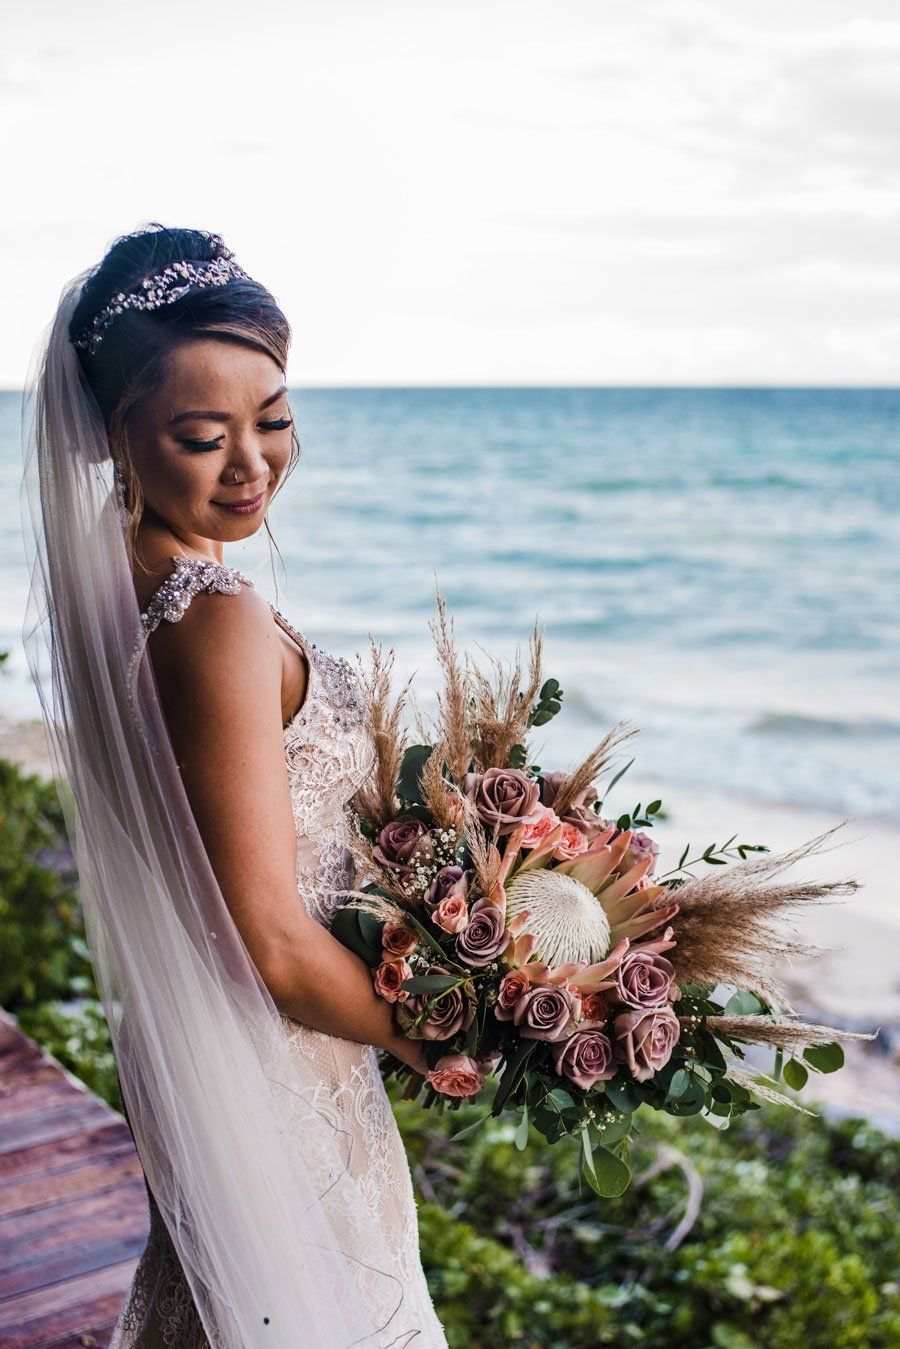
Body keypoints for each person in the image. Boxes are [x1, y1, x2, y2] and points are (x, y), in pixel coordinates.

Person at [21, 224, 448, 1347]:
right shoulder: (210, 616)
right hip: (282, 1066)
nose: (253, 462)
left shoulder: (119, 585)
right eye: (205, 436)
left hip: (221, 1063)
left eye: (275, 420)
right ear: (114, 434)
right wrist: (447, 1032)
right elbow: (267, 938)